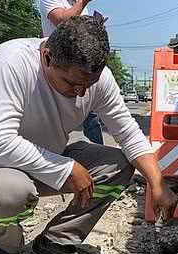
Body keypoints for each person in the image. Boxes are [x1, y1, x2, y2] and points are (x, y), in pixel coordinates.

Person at [0, 16, 177, 254]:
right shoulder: (11, 62)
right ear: (47, 58)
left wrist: (157, 182)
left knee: (119, 165)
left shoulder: (96, 79)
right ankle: (5, 249)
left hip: (43, 160)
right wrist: (66, 167)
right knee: (10, 191)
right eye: (72, 83)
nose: (82, 93)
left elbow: (128, 133)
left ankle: (58, 240)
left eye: (89, 84)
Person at [39, 0, 104, 145]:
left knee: (91, 117)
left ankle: (97, 148)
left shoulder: (80, 6)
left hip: (79, 66)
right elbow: (62, 22)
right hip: (58, 67)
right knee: (51, 113)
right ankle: (46, 152)